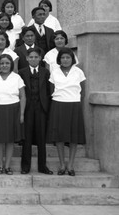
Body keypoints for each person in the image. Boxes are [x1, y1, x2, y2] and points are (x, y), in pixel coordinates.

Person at [47, 48, 86, 176]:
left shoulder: (78, 72)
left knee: (73, 136)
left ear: (72, 59)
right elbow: (52, 89)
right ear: (59, 59)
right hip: (58, 104)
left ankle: (71, 165)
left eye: (68, 57)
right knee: (59, 136)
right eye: (63, 58)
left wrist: (75, 100)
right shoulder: (54, 72)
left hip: (74, 104)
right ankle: (62, 164)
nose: (65, 60)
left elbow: (83, 91)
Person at [0, 54, 26, 175]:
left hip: (13, 109)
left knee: (10, 140)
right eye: (2, 63)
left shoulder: (17, 77)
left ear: (11, 64)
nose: (4, 65)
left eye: (7, 63)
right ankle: (0, 165)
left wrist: (22, 113)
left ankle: (7, 166)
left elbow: (23, 96)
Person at [18, 47, 53, 175]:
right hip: (27, 108)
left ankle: (42, 166)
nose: (33, 59)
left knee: (41, 138)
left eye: (36, 57)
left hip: (41, 108)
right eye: (31, 57)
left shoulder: (45, 72)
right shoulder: (21, 72)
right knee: (26, 138)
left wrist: (47, 107)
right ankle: (25, 166)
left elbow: (49, 91)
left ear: (40, 58)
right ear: (27, 58)